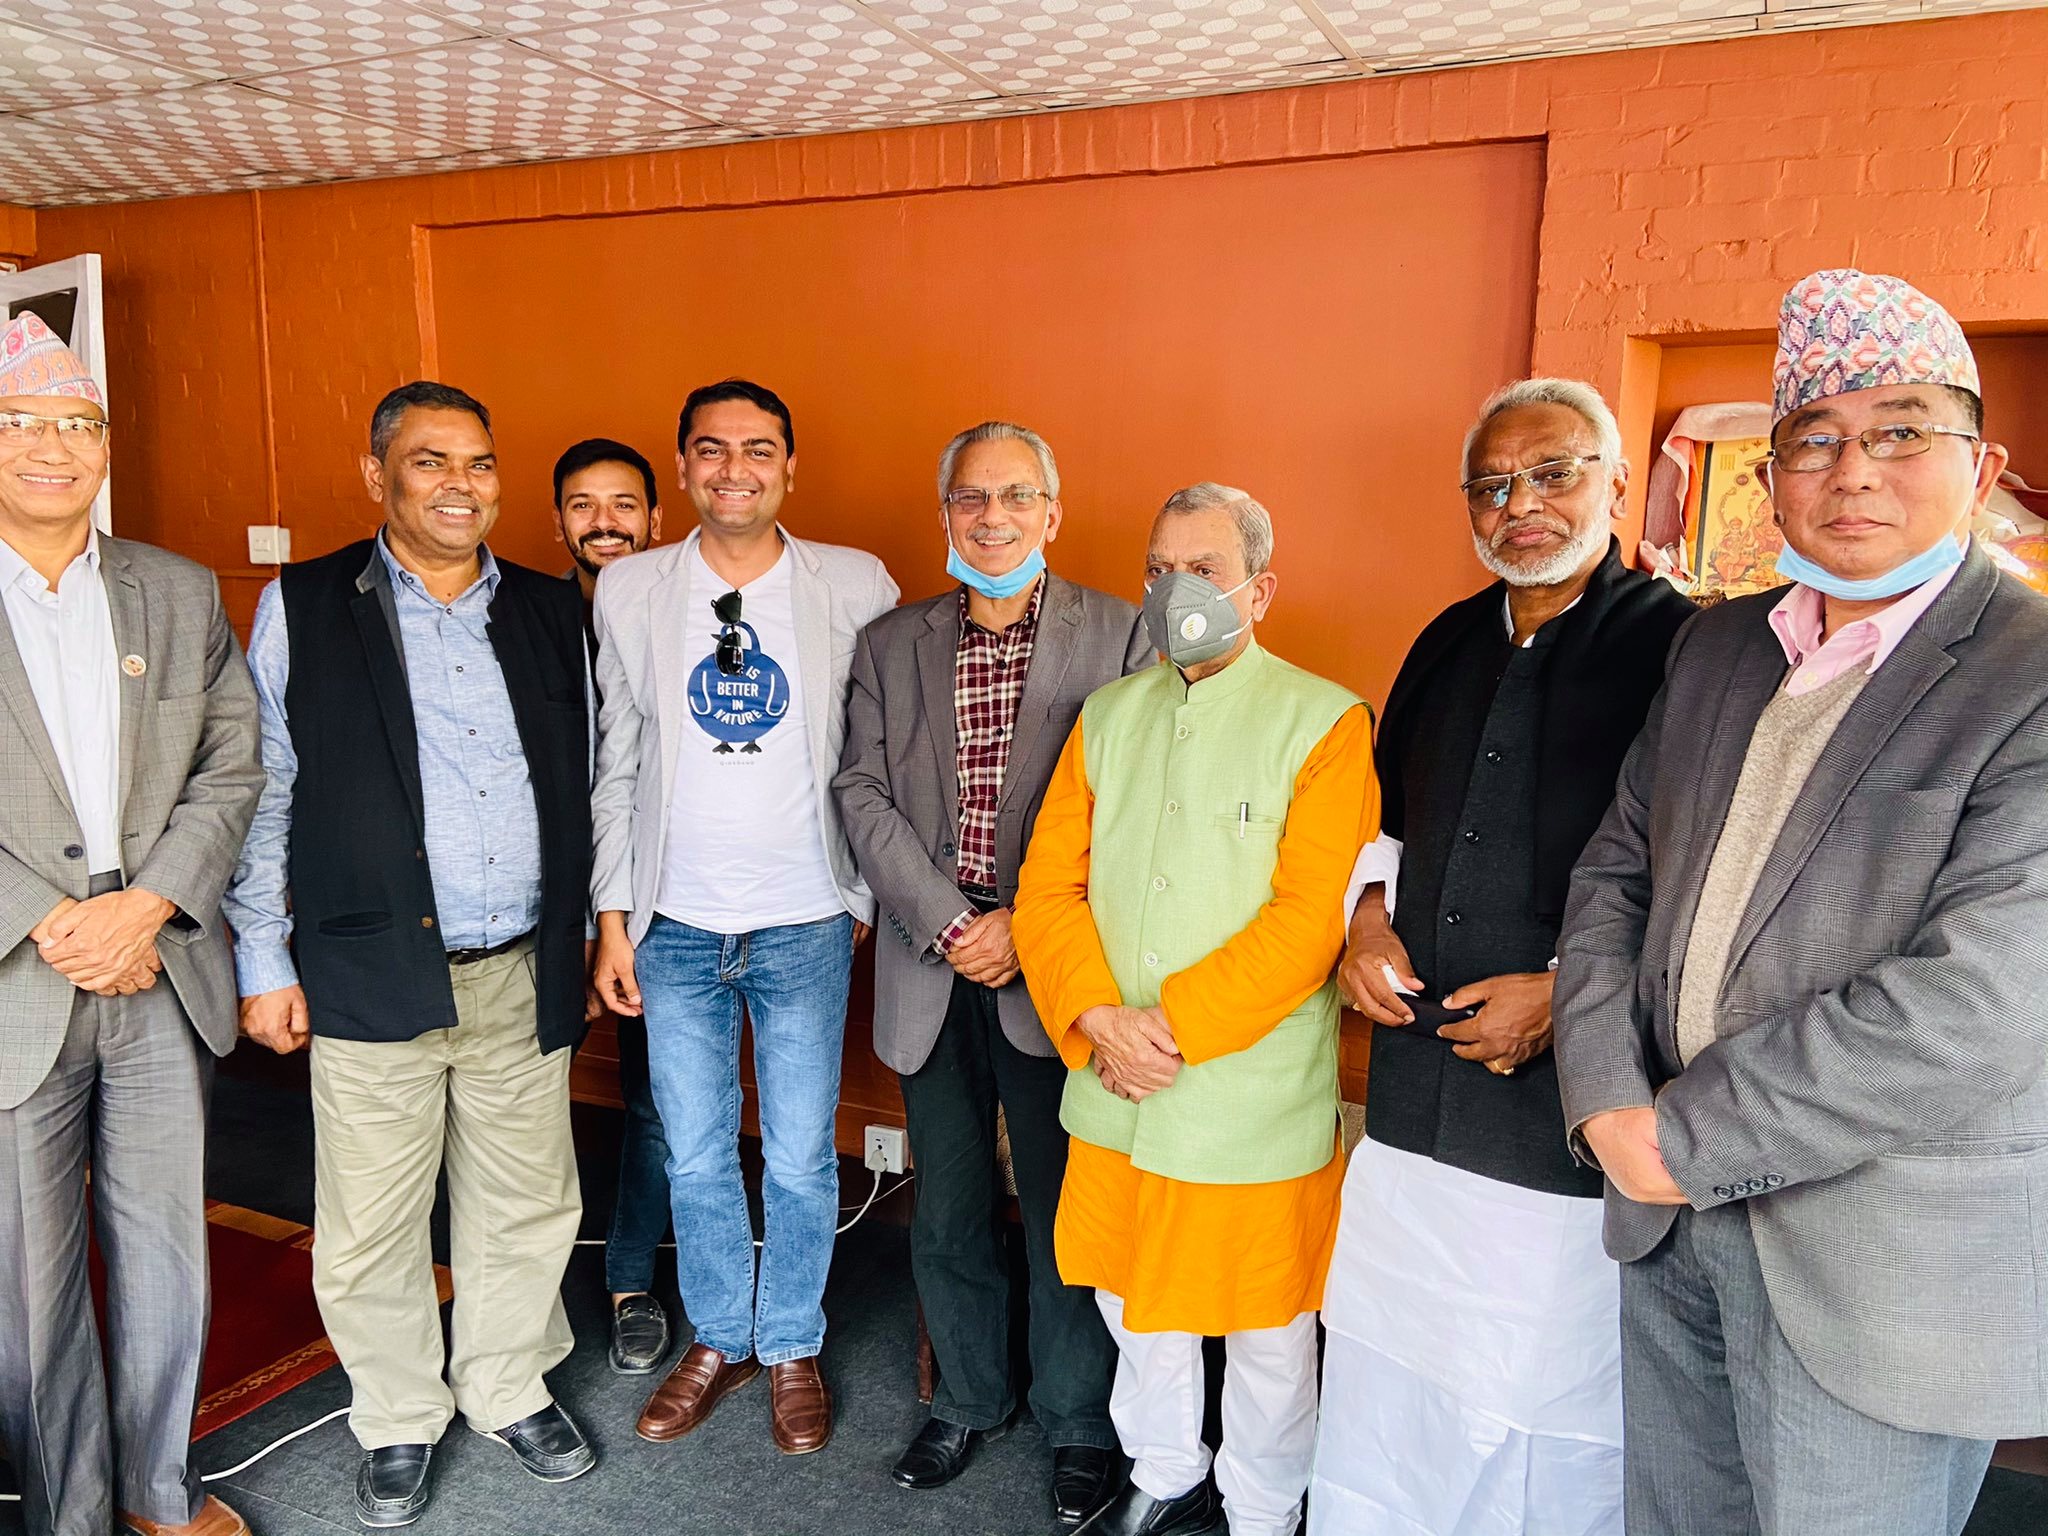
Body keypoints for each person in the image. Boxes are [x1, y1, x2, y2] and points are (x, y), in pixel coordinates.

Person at [1555, 268, 2048, 1536]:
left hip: (1875, 1255)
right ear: (1770, 479)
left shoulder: (2027, 675)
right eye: (1813, 440)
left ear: (1982, 465)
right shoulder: (1717, 646)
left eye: (1899, 431)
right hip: (1665, 1217)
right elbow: (1614, 875)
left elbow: (1981, 1004)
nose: (1853, 472)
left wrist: (1682, 1138)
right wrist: (1604, 1099)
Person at [1308, 378, 1695, 1535]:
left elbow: (1705, 882)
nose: (1518, 504)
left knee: (1541, 1401)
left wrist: (1567, 994)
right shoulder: (1443, 640)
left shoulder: (1683, 650)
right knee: (1390, 1367)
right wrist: (1363, 924)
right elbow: (1383, 829)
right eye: (1489, 485)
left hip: (1563, 1112)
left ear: (1614, 485)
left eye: (1551, 473)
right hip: (1416, 1092)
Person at [225, 381, 596, 1529]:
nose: (458, 485)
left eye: (478, 463)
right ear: (376, 473)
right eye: (430, 461)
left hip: (520, 966)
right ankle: (395, 1413)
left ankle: (506, 1385)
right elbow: (265, 786)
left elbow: (587, 780)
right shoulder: (305, 603)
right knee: (371, 1218)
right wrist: (260, 956)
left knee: (525, 1200)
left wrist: (592, 933)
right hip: (368, 964)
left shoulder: (548, 608)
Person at [1013, 483, 1378, 1536]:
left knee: (1270, 1324)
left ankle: (1264, 1504)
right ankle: (1165, 1469)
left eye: (1204, 570)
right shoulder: (1107, 716)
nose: (1177, 590)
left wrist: (1161, 1030)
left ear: (1259, 590)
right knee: (1131, 1302)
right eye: (1159, 569)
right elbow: (1046, 890)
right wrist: (1096, 1019)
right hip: (1113, 1083)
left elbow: (1309, 921)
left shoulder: (1325, 720)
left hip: (1246, 1098)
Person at [835, 422, 1147, 1524]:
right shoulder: (889, 643)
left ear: (1052, 512)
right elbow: (860, 792)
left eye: (1016, 496)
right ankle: (968, 1397)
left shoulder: (1121, 633)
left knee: (1067, 1209)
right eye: (971, 497)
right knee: (949, 1205)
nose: (992, 516)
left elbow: (1137, 804)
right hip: (932, 963)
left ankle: (1077, 1419)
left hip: (1055, 964)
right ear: (946, 515)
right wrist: (947, 920)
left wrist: (1026, 923)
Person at [590, 378, 898, 1456]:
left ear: (789, 467)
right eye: (712, 449)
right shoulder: (630, 588)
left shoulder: (853, 583)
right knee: (694, 1151)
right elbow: (617, 761)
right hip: (672, 921)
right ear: (682, 467)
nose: (735, 469)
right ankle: (722, 1336)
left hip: (805, 917)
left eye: (758, 449)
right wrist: (614, 919)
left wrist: (860, 894)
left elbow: (880, 747)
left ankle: (792, 1342)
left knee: (803, 1157)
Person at [0, 313, 262, 1536]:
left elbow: (233, 762)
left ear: (107, 446)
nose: (52, 446)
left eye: (78, 424)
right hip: (22, 972)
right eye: (21, 422)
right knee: (29, 1275)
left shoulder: (177, 588)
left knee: (166, 1250)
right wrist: (57, 922)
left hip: (159, 954)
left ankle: (159, 1492)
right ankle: (70, 1511)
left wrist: (147, 903)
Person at [551, 435, 674, 1375]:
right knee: (521, 1099)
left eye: (624, 504)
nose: (605, 523)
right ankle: (520, 1296)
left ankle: (631, 1281)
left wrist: (618, 923)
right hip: (543, 900)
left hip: (648, 899)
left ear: (655, 517)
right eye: (584, 505)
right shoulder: (525, 617)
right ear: (559, 520)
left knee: (653, 1100)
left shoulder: (685, 611)